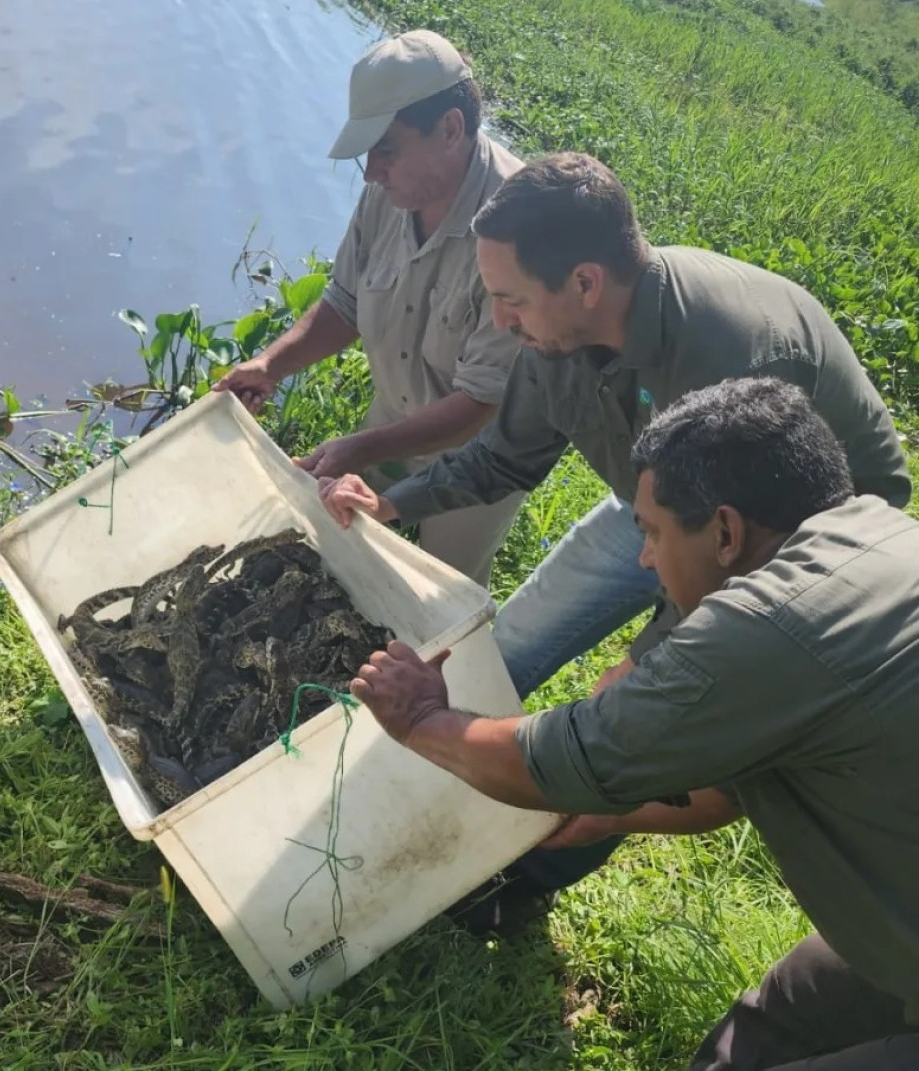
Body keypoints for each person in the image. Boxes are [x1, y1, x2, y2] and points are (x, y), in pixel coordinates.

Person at [317, 151, 911, 924]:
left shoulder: (735, 358)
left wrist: (642, 667)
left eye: (510, 299)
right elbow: (505, 455)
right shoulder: (552, 337)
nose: (499, 320)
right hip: (667, 505)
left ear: (585, 284)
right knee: (502, 650)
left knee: (633, 728)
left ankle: (519, 884)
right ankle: (453, 811)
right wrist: (393, 502)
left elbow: (741, 548)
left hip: (791, 546)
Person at [351, 378, 919, 1070]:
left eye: (651, 531)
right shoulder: (871, 530)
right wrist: (610, 817)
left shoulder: (767, 624)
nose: (645, 557)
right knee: (769, 1023)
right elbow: (726, 791)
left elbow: (567, 759)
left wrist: (421, 718)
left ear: (725, 531)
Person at [213, 29, 526, 587]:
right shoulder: (388, 191)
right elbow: (345, 303)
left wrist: (357, 449)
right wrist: (271, 364)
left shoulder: (517, 228)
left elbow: (480, 401)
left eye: (387, 149)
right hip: (393, 414)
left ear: (450, 130)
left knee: (436, 592)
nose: (370, 172)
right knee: (327, 550)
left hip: (477, 458)